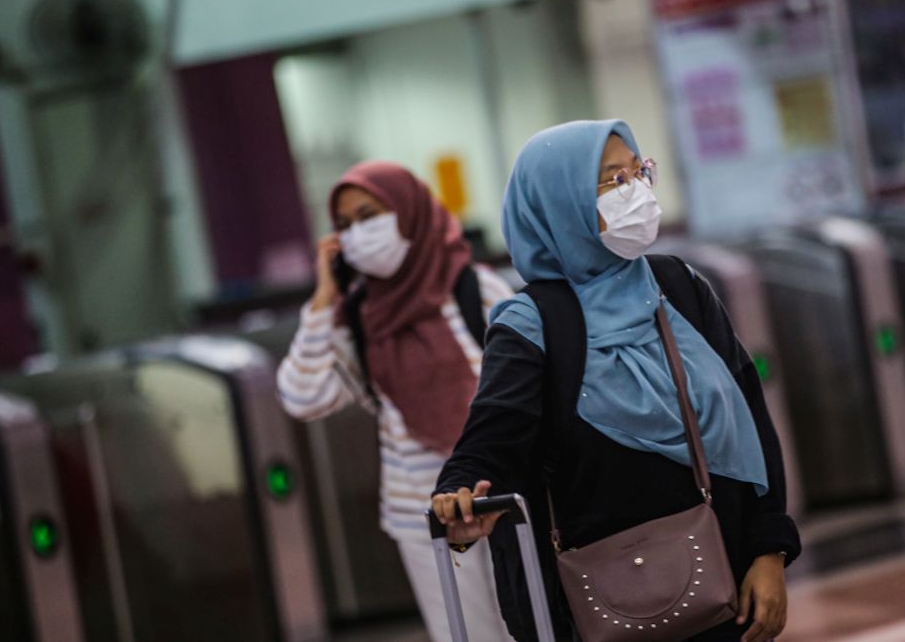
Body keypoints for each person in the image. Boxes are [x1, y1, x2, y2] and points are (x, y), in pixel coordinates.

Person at [432, 120, 801, 642]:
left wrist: (770, 551)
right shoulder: (533, 324)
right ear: (561, 203)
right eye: (612, 180)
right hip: (594, 611)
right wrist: (460, 494)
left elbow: (751, 421)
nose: (636, 191)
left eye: (638, 171)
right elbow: (493, 438)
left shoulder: (678, 288)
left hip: (725, 593)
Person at [277, 160, 515, 642]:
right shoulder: (356, 319)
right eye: (345, 225)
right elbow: (303, 397)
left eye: (370, 215)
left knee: (531, 627)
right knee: (466, 636)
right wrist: (324, 300)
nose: (358, 233)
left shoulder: (474, 289)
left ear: (408, 211)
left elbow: (527, 388)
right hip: (423, 514)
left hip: (504, 496)